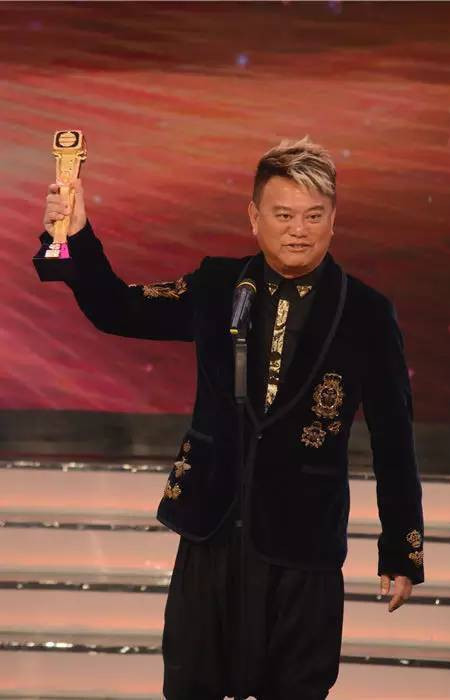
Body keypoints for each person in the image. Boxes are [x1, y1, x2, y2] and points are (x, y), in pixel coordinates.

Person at [38, 136, 424, 700]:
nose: (298, 230)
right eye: (284, 215)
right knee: (192, 684)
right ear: (253, 217)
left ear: (333, 219)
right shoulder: (218, 286)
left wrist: (401, 549)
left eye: (314, 216)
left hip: (303, 541)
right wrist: (75, 235)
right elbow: (116, 307)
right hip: (212, 525)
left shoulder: (366, 312)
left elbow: (394, 439)